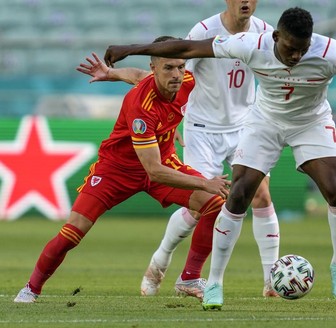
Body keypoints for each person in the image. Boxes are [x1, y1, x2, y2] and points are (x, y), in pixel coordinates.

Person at [104, 7, 336, 310]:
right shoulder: (249, 43)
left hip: (308, 122)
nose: (296, 56)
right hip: (255, 122)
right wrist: (131, 48)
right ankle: (207, 279)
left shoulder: (329, 52)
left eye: (302, 49)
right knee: (228, 196)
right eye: (290, 49)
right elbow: (185, 50)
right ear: (276, 39)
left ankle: (333, 266)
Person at [77, 0, 281, 299]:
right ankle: (160, 260)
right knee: (201, 205)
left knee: (261, 193)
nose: (245, 1)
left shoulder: (266, 32)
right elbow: (165, 72)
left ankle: (271, 280)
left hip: (243, 126)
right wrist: (130, 56)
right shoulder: (203, 30)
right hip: (203, 130)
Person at [13, 36, 231, 303]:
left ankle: (189, 277)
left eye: (180, 67)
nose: (177, 74)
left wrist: (112, 73)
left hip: (162, 160)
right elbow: (154, 171)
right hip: (118, 170)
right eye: (168, 68)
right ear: (155, 69)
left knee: (213, 203)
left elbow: (137, 74)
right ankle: (31, 289)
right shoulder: (141, 106)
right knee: (74, 231)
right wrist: (204, 182)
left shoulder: (185, 83)